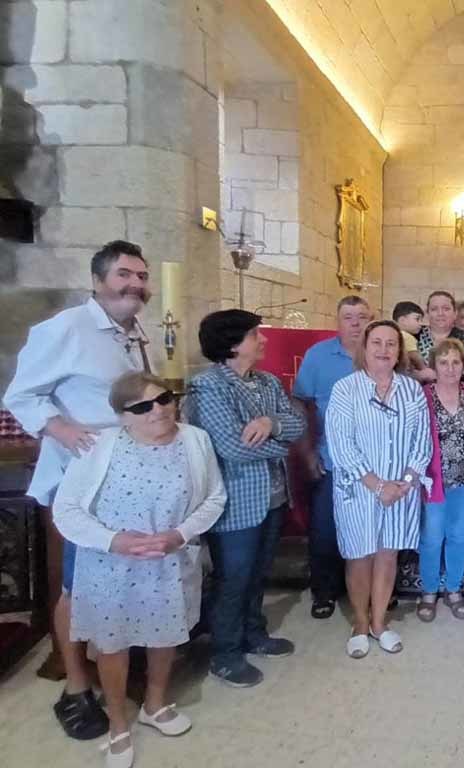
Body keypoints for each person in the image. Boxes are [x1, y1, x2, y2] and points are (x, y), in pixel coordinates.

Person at [3, 239, 152, 740]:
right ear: (97, 280)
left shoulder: (136, 333)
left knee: (121, 575)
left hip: (128, 478)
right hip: (82, 480)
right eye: (124, 274)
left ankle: (117, 664)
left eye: (141, 276)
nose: (135, 284)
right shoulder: (65, 328)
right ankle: (75, 685)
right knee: (77, 584)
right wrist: (60, 428)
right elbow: (21, 393)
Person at [53, 373, 226, 767]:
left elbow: (214, 498)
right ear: (122, 416)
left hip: (169, 558)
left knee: (165, 634)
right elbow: (67, 510)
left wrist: (180, 534)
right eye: (144, 406)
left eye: (164, 399)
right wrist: (115, 540)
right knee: (113, 645)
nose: (158, 410)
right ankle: (118, 725)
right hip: (111, 564)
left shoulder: (195, 440)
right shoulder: (98, 445)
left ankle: (155, 704)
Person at [187, 310, 306, 687]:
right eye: (255, 334)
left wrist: (271, 423)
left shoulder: (267, 382)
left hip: (273, 496)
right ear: (232, 344)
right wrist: (282, 446)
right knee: (232, 578)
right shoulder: (208, 386)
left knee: (259, 573)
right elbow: (231, 447)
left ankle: (254, 633)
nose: (263, 339)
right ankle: (225, 652)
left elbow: (298, 423)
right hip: (235, 500)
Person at [326, 320, 431, 657]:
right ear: (365, 348)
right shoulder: (346, 389)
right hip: (359, 490)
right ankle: (359, 623)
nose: (384, 350)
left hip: (400, 491)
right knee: (360, 555)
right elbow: (341, 445)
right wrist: (378, 485)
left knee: (387, 554)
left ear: (399, 351)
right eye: (377, 343)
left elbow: (422, 443)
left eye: (391, 344)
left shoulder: (412, 390)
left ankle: (379, 622)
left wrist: (406, 483)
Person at [293, 295, 371, 619]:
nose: (355, 323)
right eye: (348, 317)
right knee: (325, 530)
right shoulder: (319, 356)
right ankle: (324, 591)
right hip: (333, 460)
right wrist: (307, 452)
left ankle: (373, 590)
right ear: (337, 322)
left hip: (376, 464)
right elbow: (301, 403)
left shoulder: (381, 352)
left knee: (372, 531)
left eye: (362, 316)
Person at [417, 338, 464, 623]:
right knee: (432, 536)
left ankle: (453, 589)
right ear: (434, 366)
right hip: (434, 480)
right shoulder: (422, 396)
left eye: (456, 362)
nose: (450, 368)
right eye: (443, 362)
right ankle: (429, 590)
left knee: (458, 534)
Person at [417, 290, 464, 381]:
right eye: (434, 309)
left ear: (455, 313)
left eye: (446, 309)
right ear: (427, 313)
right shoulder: (416, 335)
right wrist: (418, 375)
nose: (440, 313)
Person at [392, 300, 428, 373]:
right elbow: (416, 358)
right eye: (417, 319)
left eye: (421, 320)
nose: (421, 323)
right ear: (402, 320)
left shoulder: (391, 334)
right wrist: (425, 369)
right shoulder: (407, 337)